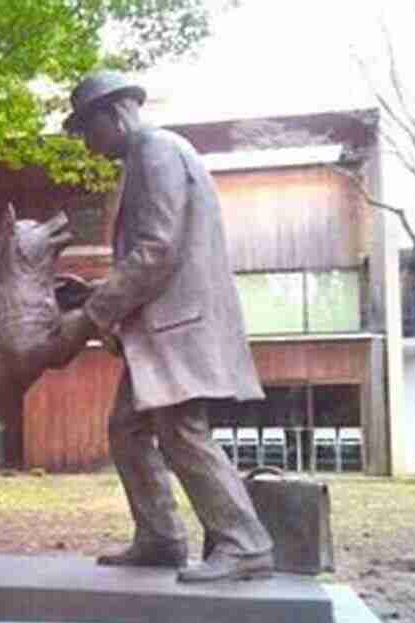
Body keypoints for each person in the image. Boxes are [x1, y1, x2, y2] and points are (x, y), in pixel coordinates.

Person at [56, 70, 274, 582]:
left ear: (112, 115)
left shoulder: (155, 151)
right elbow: (156, 253)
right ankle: (161, 538)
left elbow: (157, 249)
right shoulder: (150, 156)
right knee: (127, 430)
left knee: (180, 431)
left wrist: (93, 313)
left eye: (88, 131)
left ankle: (245, 542)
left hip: (177, 328)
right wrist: (94, 293)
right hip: (164, 328)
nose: (88, 146)